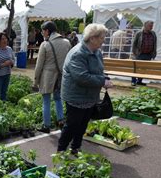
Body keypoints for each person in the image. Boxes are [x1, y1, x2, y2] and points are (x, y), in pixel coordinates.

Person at [57, 23, 113, 155]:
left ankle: (75, 148)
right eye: (102, 38)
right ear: (92, 38)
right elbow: (81, 77)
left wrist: (104, 77)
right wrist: (102, 81)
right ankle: (61, 150)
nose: (103, 41)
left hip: (90, 96)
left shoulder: (97, 52)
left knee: (82, 125)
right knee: (72, 125)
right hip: (76, 96)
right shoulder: (78, 53)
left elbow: (98, 71)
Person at [34, 21, 72, 133]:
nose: (42, 33)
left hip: (48, 76)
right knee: (58, 98)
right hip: (61, 76)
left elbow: (39, 65)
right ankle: (61, 121)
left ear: (47, 31)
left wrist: (35, 80)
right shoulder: (66, 42)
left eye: (43, 31)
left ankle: (46, 125)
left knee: (46, 101)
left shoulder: (45, 44)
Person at [0, 33, 15, 101]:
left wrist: (11, 62)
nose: (5, 40)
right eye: (2, 39)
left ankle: (3, 106)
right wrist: (3, 64)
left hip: (7, 73)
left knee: (4, 92)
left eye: (6, 39)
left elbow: (13, 59)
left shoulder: (9, 49)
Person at [132, 20, 157, 86]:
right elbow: (134, 44)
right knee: (136, 68)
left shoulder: (153, 34)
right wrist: (135, 53)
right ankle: (133, 81)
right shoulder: (139, 33)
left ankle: (139, 81)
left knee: (144, 68)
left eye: (152, 26)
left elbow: (155, 44)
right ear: (145, 25)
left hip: (148, 54)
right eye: (150, 26)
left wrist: (154, 53)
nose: (151, 27)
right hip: (140, 54)